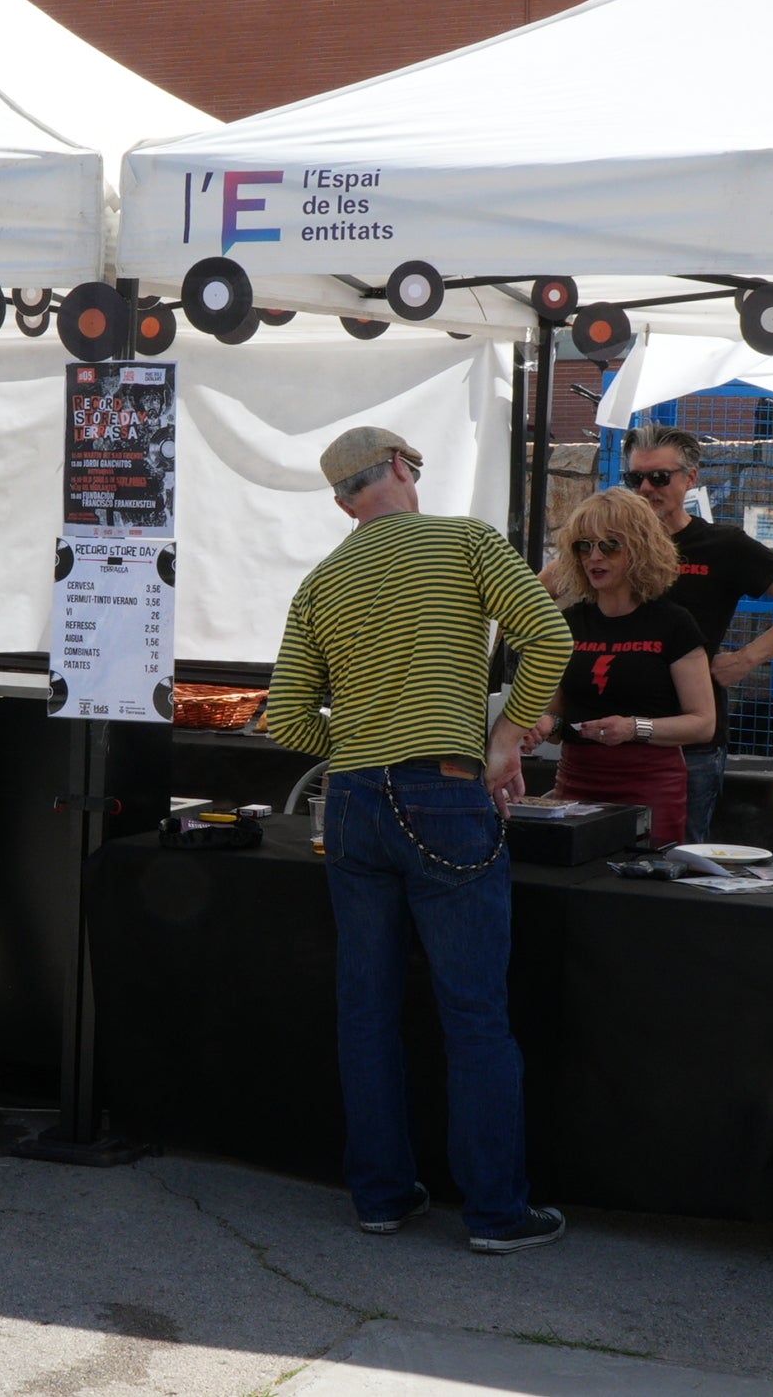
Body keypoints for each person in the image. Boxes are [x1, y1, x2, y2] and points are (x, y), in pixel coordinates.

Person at [265, 426, 575, 1256]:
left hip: (355, 802)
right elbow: (549, 638)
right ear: (404, 468)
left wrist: (362, 745)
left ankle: (381, 1195)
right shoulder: (465, 539)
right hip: (444, 790)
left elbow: (286, 718)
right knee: (473, 1013)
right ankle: (496, 1214)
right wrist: (505, 739)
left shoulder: (322, 579)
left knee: (365, 1012)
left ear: (342, 501)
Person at [620, 423, 773, 841]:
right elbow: (539, 592)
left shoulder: (722, 545)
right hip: (608, 734)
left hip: (690, 738)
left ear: (690, 478)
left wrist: (745, 659)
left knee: (678, 857)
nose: (646, 488)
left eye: (659, 477)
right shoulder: (608, 542)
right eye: (635, 478)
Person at [538, 488, 716, 847]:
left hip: (649, 785)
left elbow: (703, 724)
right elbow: (556, 719)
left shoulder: (673, 623)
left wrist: (633, 728)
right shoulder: (567, 624)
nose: (595, 557)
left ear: (639, 549)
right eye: (584, 546)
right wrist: (542, 725)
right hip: (576, 782)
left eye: (610, 545)